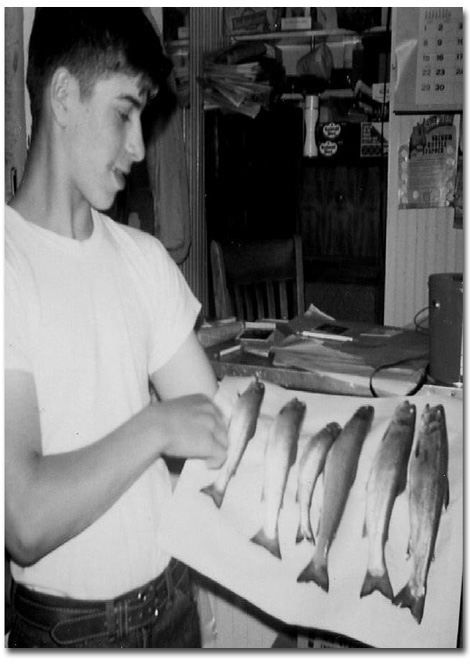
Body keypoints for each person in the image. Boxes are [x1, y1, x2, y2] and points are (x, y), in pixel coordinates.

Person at [5, 8, 228, 648]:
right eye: (124, 113)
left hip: (172, 607)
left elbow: (215, 431)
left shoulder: (143, 259)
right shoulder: (8, 266)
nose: (138, 146)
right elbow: (24, 517)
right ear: (65, 96)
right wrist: (157, 425)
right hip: (71, 635)